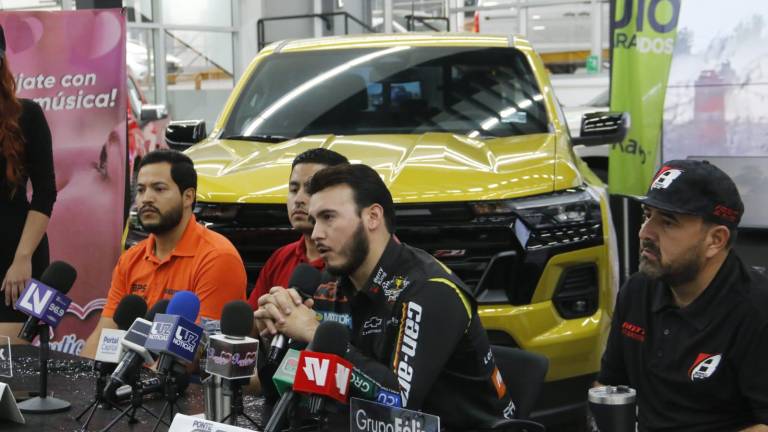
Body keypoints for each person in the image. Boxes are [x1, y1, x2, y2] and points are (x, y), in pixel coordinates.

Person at [254, 163, 515, 428]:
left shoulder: (430, 290)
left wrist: (313, 330)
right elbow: (282, 386)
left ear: (373, 217)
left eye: (329, 217)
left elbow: (397, 401)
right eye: (314, 220)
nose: (316, 233)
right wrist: (275, 337)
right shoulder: (332, 283)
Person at [598, 160, 768, 431]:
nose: (645, 232)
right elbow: (609, 386)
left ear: (715, 240)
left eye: (667, 222)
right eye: (647, 214)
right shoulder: (638, 291)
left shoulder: (757, 311)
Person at [82, 149, 247, 358]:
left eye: (159, 189)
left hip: (185, 385)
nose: (146, 199)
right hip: (125, 380)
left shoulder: (217, 258)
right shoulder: (130, 259)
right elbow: (103, 337)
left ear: (188, 197)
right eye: (141, 190)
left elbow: (196, 356)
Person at [0, 25, 57, 344]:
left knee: (9, 361)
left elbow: (45, 193)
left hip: (15, 255)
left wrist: (22, 258)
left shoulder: (27, 115)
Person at [246, 148, 348, 310]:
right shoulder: (280, 258)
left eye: (310, 190)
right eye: (293, 190)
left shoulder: (355, 262)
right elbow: (250, 327)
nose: (298, 200)